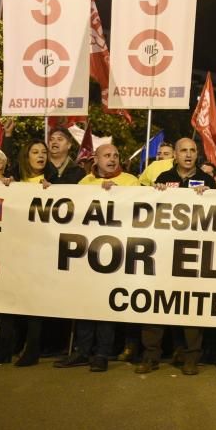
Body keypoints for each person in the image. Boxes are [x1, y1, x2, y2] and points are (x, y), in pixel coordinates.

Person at [135, 138, 216, 375]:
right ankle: (150, 356)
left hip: (193, 253)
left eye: (193, 150)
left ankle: (192, 357)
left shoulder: (208, 180)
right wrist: (157, 195)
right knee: (155, 305)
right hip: (162, 253)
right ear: (176, 155)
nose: (188, 154)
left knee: (191, 307)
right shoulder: (163, 179)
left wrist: (209, 195)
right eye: (184, 150)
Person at [53, 144, 137, 373]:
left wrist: (116, 193)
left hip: (116, 253)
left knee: (105, 305)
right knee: (84, 304)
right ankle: (82, 350)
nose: (112, 159)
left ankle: (102, 353)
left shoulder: (131, 181)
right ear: (96, 159)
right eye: (107, 155)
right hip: (87, 253)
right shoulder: (84, 184)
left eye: (116, 155)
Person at [0, 140, 51, 367]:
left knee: (33, 303)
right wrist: (4, 186)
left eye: (44, 152)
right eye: (35, 152)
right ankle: (4, 348)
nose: (41, 156)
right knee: (9, 301)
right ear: (27, 156)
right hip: (14, 249)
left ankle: (32, 350)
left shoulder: (54, 182)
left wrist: (54, 189)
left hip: (41, 250)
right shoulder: (15, 182)